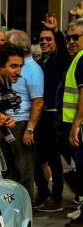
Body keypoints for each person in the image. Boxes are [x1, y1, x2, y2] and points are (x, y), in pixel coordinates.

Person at [4, 30, 44, 201]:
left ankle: (25, 207)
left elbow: (38, 102)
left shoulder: (32, 69)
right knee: (10, 169)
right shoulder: (15, 64)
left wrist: (30, 129)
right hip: (8, 123)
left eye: (8, 44)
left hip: (22, 123)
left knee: (24, 170)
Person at [35, 14, 69, 212]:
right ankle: (44, 192)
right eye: (42, 39)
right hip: (41, 114)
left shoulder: (60, 58)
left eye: (49, 39)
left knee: (54, 157)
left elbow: (64, 50)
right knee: (39, 156)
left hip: (54, 114)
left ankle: (56, 197)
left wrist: (57, 31)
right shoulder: (41, 61)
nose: (44, 42)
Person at [60, 19, 83, 227]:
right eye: (68, 38)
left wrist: (77, 123)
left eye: (76, 37)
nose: (71, 42)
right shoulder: (76, 59)